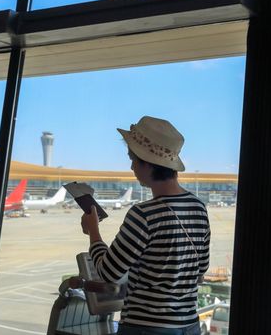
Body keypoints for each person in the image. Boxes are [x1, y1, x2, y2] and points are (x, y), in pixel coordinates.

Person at [81, 116, 211, 335]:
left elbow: (108, 272)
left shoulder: (143, 214)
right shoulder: (199, 208)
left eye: (133, 159)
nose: (132, 166)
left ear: (147, 163)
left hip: (147, 327)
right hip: (189, 325)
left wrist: (93, 231)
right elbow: (200, 272)